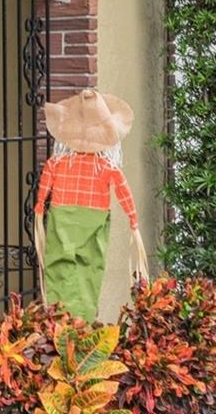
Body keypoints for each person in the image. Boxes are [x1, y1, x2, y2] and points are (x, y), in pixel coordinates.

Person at [31, 89, 149, 320]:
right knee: (89, 267)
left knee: (59, 264)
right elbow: (123, 192)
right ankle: (82, 319)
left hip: (62, 216)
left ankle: (59, 317)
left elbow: (45, 183)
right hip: (94, 218)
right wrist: (133, 221)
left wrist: (39, 207)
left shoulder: (57, 163)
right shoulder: (107, 167)